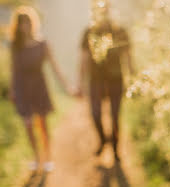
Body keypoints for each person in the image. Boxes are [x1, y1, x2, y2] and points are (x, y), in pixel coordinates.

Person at [9, 6, 71, 172]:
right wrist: (12, 89)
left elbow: (55, 67)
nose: (25, 26)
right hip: (22, 88)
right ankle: (37, 157)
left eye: (27, 23)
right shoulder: (15, 46)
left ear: (32, 23)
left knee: (42, 124)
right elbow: (13, 69)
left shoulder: (42, 44)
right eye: (22, 23)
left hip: (39, 86)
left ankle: (48, 156)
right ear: (18, 26)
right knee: (28, 124)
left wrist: (66, 86)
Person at [77, 0, 134, 162]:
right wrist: (80, 83)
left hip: (116, 80)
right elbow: (83, 60)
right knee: (95, 114)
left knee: (115, 116)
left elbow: (128, 57)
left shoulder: (120, 31)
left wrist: (133, 79)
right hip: (96, 81)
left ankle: (116, 149)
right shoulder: (88, 32)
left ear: (110, 11)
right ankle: (102, 140)